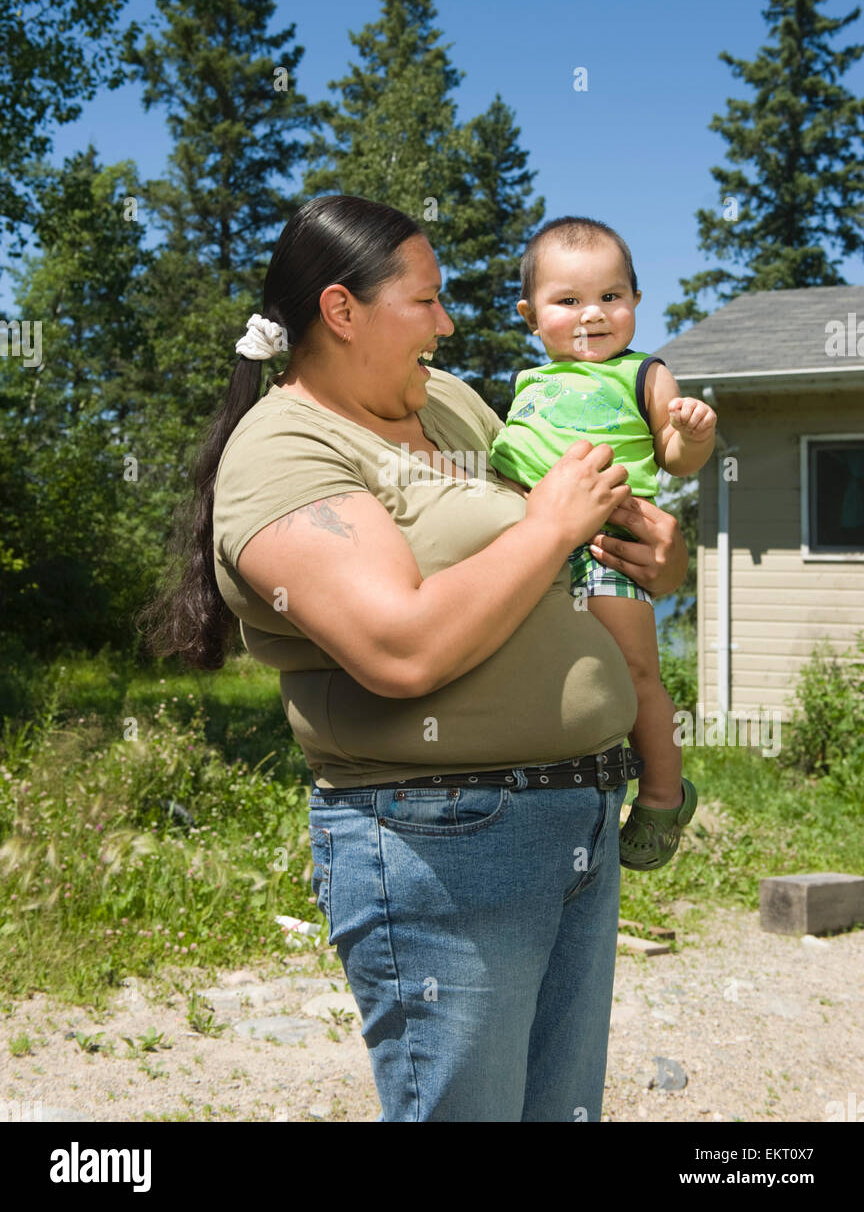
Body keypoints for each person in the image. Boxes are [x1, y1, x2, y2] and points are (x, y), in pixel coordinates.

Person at [146, 194, 689, 1122]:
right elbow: (400, 650)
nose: (448, 322)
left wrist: (650, 558)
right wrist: (554, 521)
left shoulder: (445, 402)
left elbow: (561, 544)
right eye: (427, 302)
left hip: (576, 812)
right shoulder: (283, 452)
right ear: (341, 311)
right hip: (443, 840)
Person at [490, 217, 716, 871]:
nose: (593, 315)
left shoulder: (642, 373)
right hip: (532, 552)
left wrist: (693, 433)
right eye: (568, 301)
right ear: (531, 316)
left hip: (607, 548)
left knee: (638, 673)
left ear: (637, 302)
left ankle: (664, 794)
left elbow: (674, 458)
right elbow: (509, 469)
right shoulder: (528, 384)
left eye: (611, 297)